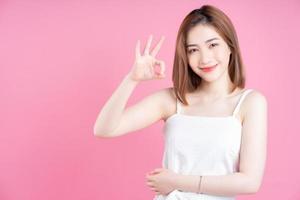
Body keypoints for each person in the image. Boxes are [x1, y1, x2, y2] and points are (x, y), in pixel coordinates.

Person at [93, 4, 268, 200]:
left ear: (230, 46)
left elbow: (250, 182)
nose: (205, 58)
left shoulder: (250, 102)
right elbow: (104, 129)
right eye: (193, 50)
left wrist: (176, 181)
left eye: (212, 45)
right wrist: (132, 79)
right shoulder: (171, 100)